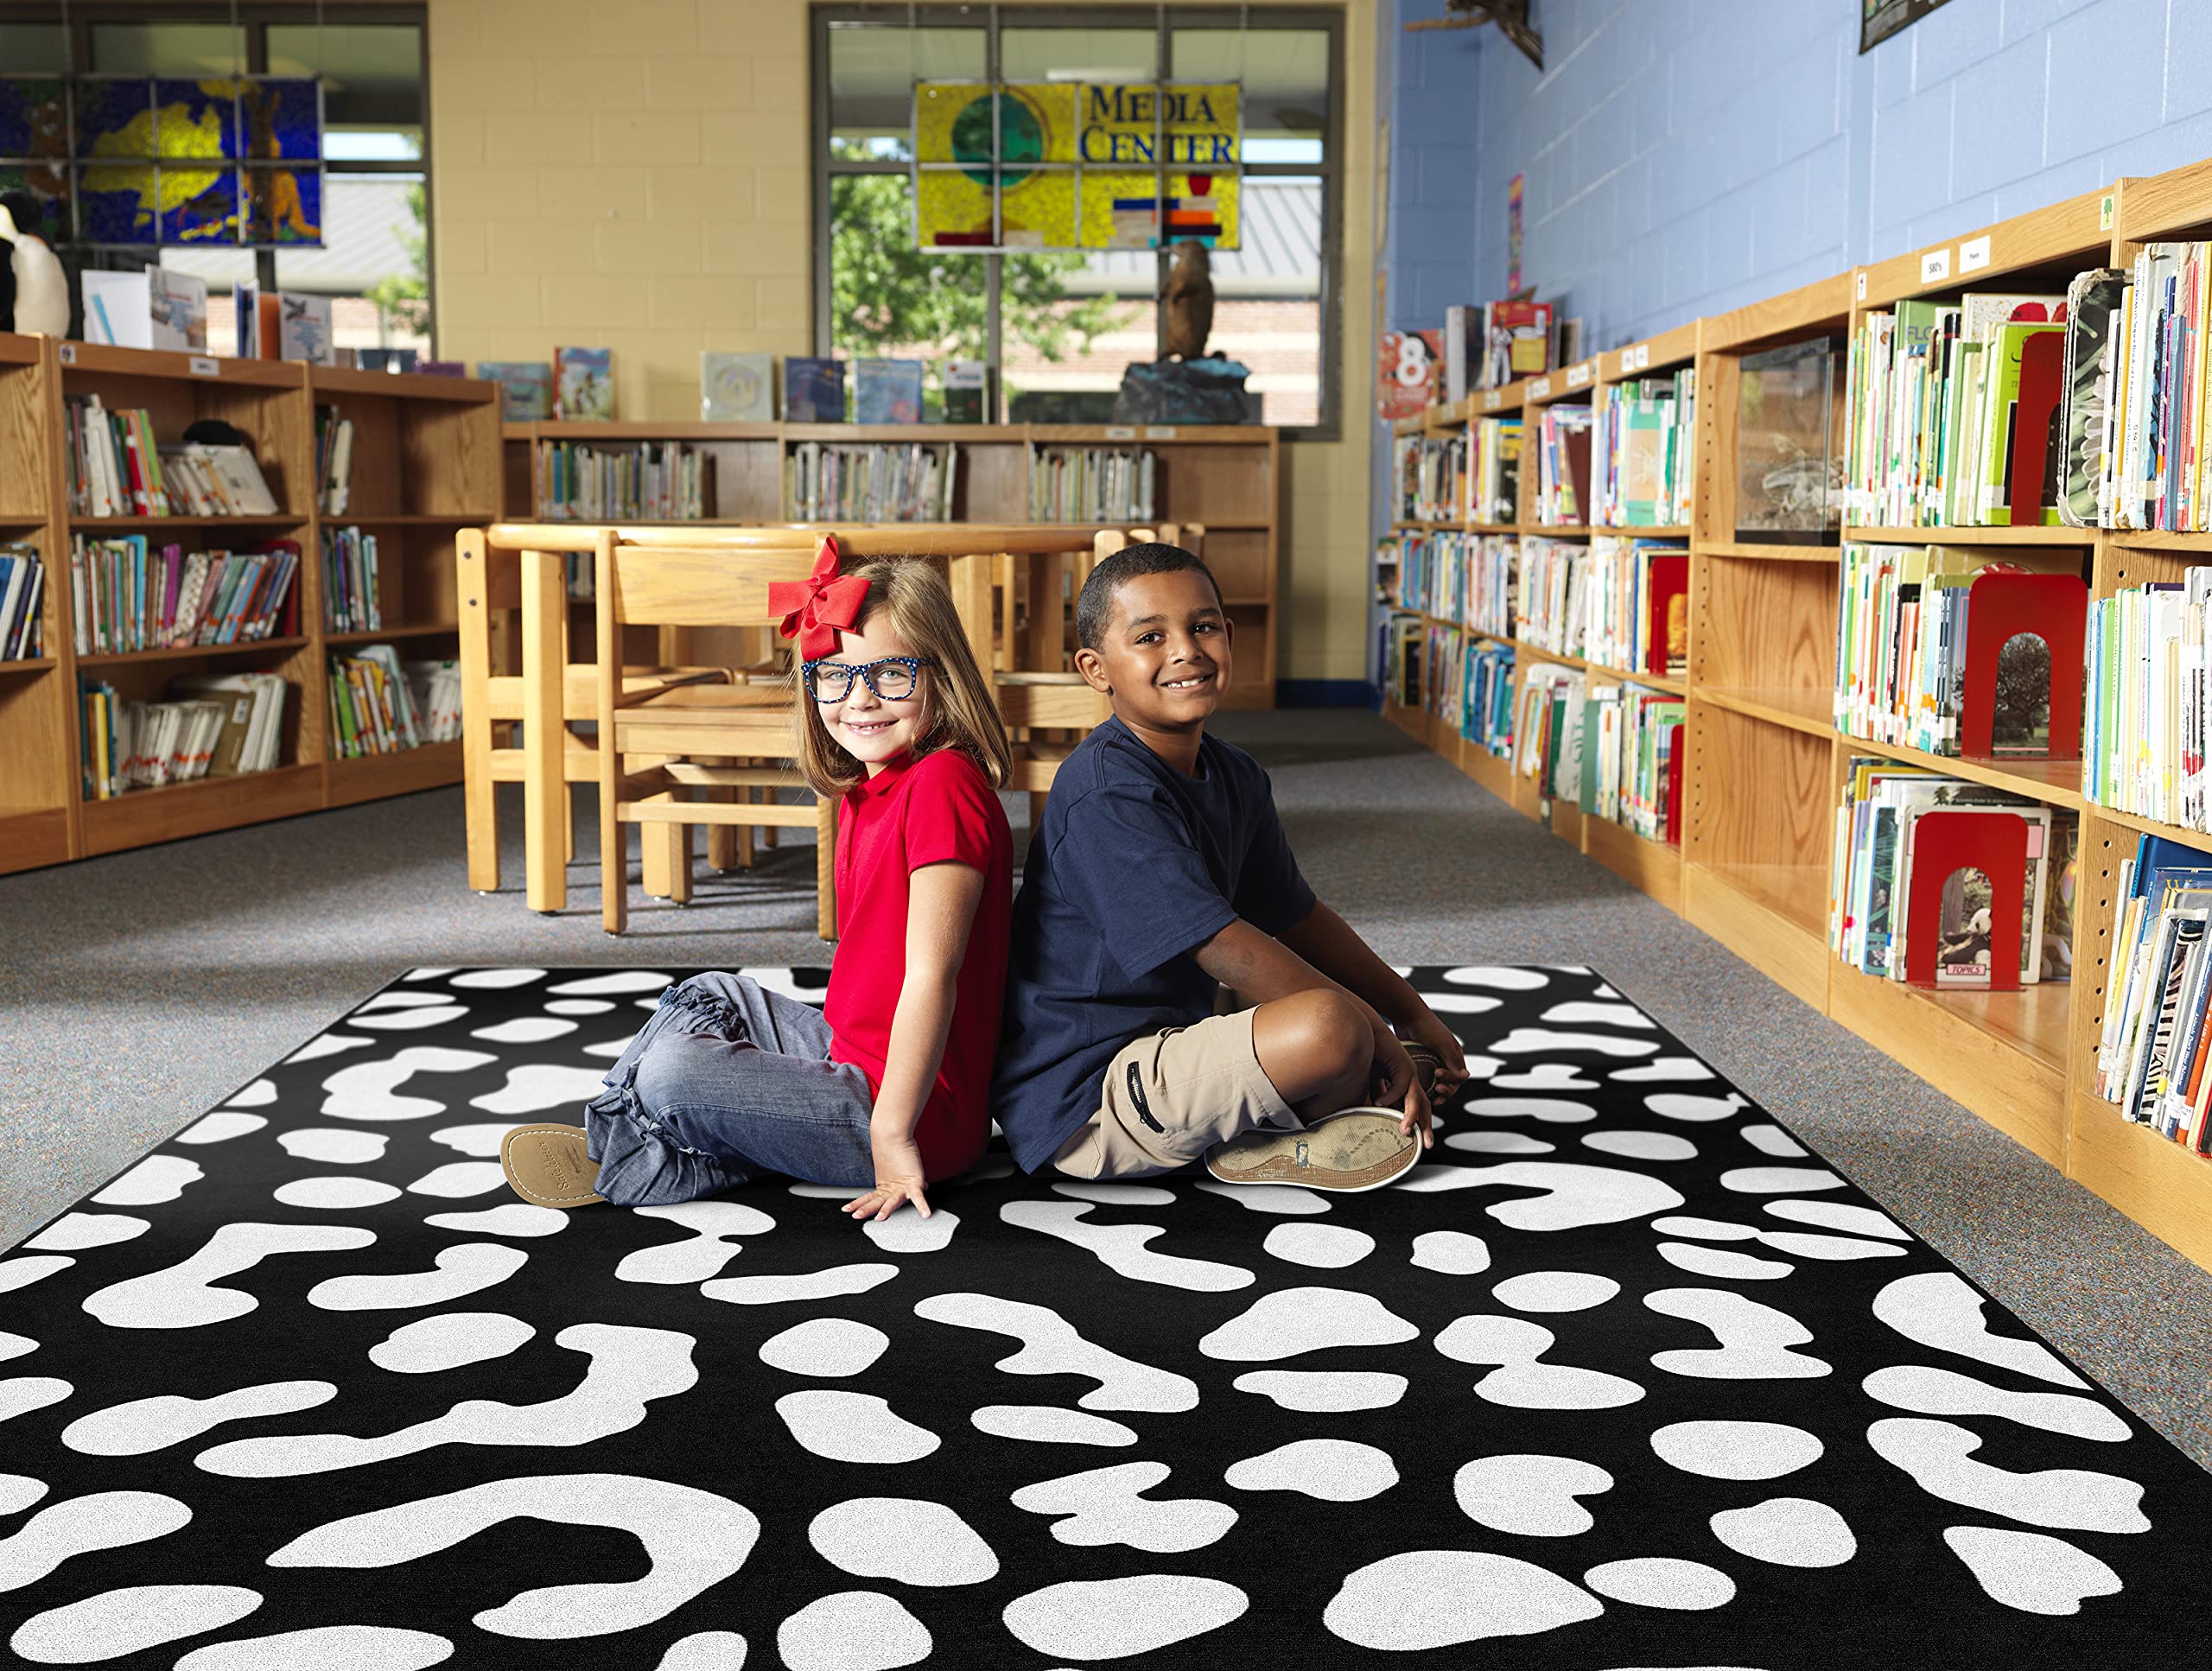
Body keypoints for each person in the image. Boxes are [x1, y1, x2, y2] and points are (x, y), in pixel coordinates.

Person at [499, 542, 1014, 1226]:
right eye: (832, 675)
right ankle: (670, 1131)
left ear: (940, 676)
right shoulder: (870, 789)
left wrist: (891, 1136)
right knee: (709, 993)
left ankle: (662, 1153)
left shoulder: (944, 784)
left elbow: (931, 977)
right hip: (851, 1051)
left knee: (672, 1075)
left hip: (913, 1114)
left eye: (890, 674)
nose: (858, 699)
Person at [991, 542, 1470, 1191]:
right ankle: (1278, 1133)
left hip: (1177, 1031)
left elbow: (1298, 916)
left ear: (1230, 635)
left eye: (1204, 626)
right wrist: (1373, 1034)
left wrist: (1408, 1011)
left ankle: (1325, 1095)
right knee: (1331, 1025)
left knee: (1322, 1008)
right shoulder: (1105, 791)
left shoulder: (1234, 772)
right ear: (1096, 669)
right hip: (1088, 1097)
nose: (1185, 649)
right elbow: (1218, 944)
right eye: (1150, 636)